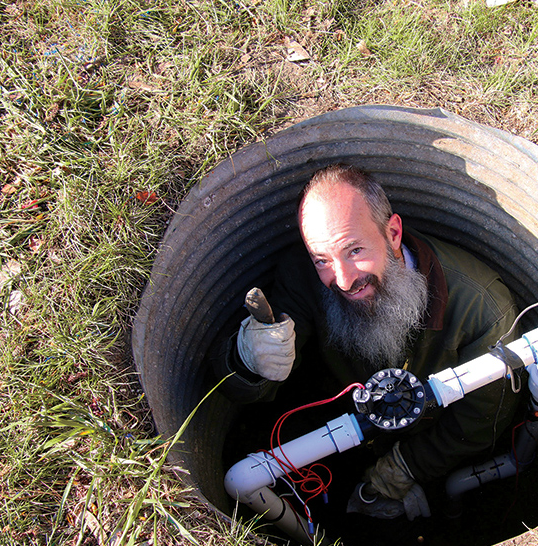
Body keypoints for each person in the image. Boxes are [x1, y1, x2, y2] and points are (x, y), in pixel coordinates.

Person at [216, 164, 520, 521]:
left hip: (428, 442)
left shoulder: (483, 309)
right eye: (322, 260)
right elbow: (253, 385)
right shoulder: (301, 275)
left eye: (355, 250)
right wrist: (247, 361)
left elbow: (481, 420)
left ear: (393, 233)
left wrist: (405, 467)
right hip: (339, 425)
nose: (344, 280)